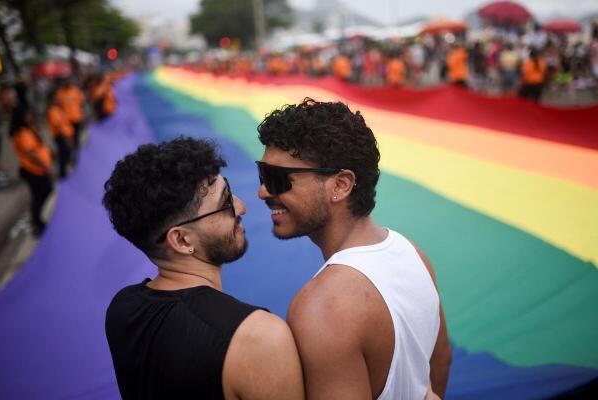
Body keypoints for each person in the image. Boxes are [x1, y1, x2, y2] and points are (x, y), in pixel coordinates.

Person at [257, 98, 452, 399]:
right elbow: (440, 361)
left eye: (277, 180)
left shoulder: (322, 307)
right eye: (262, 174)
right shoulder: (413, 253)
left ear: (340, 185)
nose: (262, 192)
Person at [102, 137, 304, 400]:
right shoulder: (258, 338)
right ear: (182, 240)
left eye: (229, 190)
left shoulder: (122, 309)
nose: (241, 206)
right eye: (225, 203)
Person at [10, 107, 54, 236]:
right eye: (27, 115)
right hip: (34, 171)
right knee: (43, 192)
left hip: (34, 170)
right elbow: (31, 154)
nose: (30, 116)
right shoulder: (23, 133)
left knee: (38, 195)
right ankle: (36, 222)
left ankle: (37, 220)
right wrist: (47, 167)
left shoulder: (26, 130)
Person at [46, 90, 74, 178]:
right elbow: (58, 126)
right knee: (63, 155)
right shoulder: (52, 111)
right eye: (56, 98)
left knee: (65, 154)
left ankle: (64, 171)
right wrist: (66, 138)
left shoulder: (58, 109)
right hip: (61, 137)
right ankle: (63, 174)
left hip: (65, 136)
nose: (58, 99)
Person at [55, 79, 85, 150]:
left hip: (77, 118)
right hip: (66, 120)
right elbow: (58, 105)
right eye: (66, 81)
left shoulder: (76, 90)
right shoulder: (60, 92)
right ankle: (69, 152)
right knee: (68, 137)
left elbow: (81, 102)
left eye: (69, 81)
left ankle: (76, 151)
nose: (67, 83)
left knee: (76, 136)